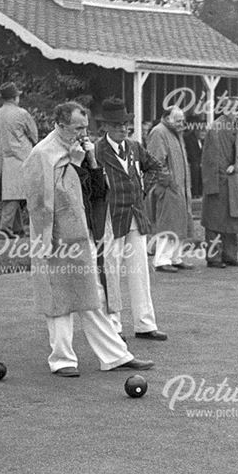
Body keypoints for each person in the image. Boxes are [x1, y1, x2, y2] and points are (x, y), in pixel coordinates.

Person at [21, 101, 154, 377]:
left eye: (86, 127)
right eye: (77, 128)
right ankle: (62, 360)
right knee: (58, 300)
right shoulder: (42, 154)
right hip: (54, 238)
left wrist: (91, 162)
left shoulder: (80, 150)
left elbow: (95, 193)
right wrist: (77, 163)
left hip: (83, 234)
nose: (84, 133)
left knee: (91, 297)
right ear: (60, 125)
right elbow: (40, 202)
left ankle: (114, 356)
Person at [88, 98, 169, 342]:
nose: (123, 129)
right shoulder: (96, 152)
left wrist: (143, 190)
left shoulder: (134, 147)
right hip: (110, 220)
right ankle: (113, 327)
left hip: (136, 216)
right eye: (118, 125)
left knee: (140, 272)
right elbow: (89, 186)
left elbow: (156, 168)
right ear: (106, 127)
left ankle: (145, 324)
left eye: (125, 124)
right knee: (110, 273)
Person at [146, 107, 194, 272]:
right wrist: (167, 181)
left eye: (182, 120)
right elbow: (156, 161)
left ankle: (175, 257)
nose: (181, 124)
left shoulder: (175, 133)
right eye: (178, 120)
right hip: (167, 186)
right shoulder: (159, 132)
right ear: (167, 118)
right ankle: (161, 260)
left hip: (180, 186)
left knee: (179, 221)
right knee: (168, 221)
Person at [0, 82, 38, 236]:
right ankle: (4, 227)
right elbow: (34, 134)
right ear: (15, 97)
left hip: (2, 158)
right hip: (20, 157)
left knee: (12, 192)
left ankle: (17, 228)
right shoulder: (22, 114)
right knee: (14, 195)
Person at [200, 111, 238, 268]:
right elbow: (212, 158)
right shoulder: (216, 127)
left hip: (231, 180)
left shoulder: (232, 126)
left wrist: (236, 165)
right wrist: (217, 180)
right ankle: (214, 258)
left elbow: (236, 154)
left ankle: (230, 255)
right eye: (235, 110)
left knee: (231, 220)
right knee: (215, 221)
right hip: (219, 181)